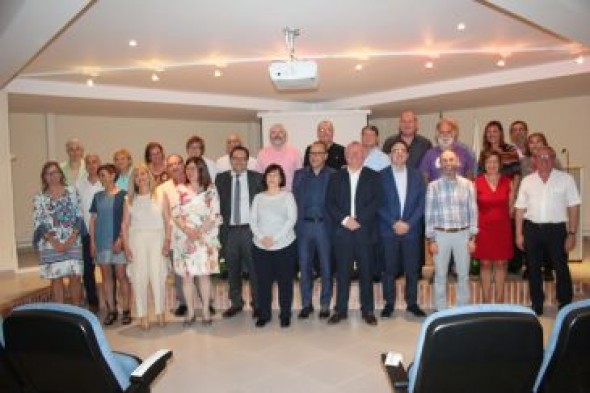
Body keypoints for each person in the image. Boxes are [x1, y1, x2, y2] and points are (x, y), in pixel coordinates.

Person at [515, 146, 580, 316]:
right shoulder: (527, 181)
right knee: (533, 268)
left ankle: (565, 303)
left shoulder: (566, 179)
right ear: (534, 161)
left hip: (556, 230)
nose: (544, 160)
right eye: (540, 157)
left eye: (548, 157)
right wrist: (519, 234)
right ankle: (537, 304)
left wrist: (572, 234)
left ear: (554, 159)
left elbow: (574, 207)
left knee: (561, 267)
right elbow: (520, 209)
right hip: (532, 229)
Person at [327, 142, 381, 326]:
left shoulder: (373, 177)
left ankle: (368, 311)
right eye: (351, 153)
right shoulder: (335, 177)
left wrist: (359, 219)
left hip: (364, 231)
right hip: (342, 231)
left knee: (366, 272)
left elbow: (377, 201)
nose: (354, 156)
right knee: (342, 273)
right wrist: (344, 219)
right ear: (345, 155)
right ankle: (340, 310)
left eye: (358, 153)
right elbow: (330, 203)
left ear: (364, 156)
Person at [168, 157, 221, 326]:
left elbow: (214, 215)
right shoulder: (179, 190)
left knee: (204, 277)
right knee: (187, 278)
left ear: (201, 169)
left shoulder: (211, 190)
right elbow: (175, 214)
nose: (189, 171)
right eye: (188, 168)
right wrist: (188, 231)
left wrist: (198, 232)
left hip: (204, 239)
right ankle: (190, 312)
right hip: (185, 240)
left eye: (193, 168)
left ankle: (205, 310)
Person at [379, 140, 426, 318]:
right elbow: (378, 204)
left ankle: (412, 303)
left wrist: (409, 224)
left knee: (412, 269)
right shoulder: (380, 176)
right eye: (395, 150)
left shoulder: (417, 176)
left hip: (411, 230)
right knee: (389, 269)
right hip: (388, 229)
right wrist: (393, 223)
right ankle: (389, 303)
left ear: (407, 155)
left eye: (402, 150)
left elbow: (422, 203)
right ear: (390, 155)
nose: (398, 153)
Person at [425, 150, 478, 311]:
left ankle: (462, 309)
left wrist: (472, 238)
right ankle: (440, 309)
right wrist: (431, 239)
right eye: (445, 160)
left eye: (451, 160)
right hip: (441, 235)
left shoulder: (468, 185)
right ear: (440, 164)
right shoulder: (433, 187)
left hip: (463, 235)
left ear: (458, 163)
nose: (448, 163)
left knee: (463, 275)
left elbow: (473, 211)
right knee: (440, 276)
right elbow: (429, 213)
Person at [121, 163, 171, 330]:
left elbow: (167, 220)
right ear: (133, 180)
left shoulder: (160, 195)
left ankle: (160, 312)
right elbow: (125, 224)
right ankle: (142, 314)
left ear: (149, 176)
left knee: (158, 276)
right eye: (137, 175)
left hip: (157, 237)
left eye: (143, 174)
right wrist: (126, 246)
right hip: (137, 239)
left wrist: (168, 240)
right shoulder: (128, 200)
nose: (141, 177)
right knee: (138, 277)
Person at [215, 146, 263, 319]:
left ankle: (257, 304)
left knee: (254, 270)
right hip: (229, 231)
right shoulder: (220, 179)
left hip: (250, 230)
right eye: (235, 158)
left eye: (243, 158)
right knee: (232, 268)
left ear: (248, 161)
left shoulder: (257, 178)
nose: (239, 161)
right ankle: (236, 303)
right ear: (230, 160)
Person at [250, 164, 298, 328]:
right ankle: (264, 314)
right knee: (263, 283)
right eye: (269, 174)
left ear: (281, 178)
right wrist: (262, 237)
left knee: (285, 283)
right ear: (265, 177)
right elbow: (253, 221)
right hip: (261, 247)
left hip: (284, 246)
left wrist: (275, 238)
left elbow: (291, 220)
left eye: (276, 175)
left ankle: (285, 314)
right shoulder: (258, 198)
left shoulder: (288, 196)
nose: (272, 177)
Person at [293, 141, 335, 319]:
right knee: (304, 266)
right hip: (304, 226)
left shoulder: (334, 175)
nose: (314, 157)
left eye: (319, 153)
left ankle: (325, 304)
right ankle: (306, 304)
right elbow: (295, 200)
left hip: (325, 226)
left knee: (326, 266)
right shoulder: (299, 175)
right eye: (311, 153)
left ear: (326, 155)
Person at [33, 161, 84, 304]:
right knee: (56, 279)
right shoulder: (39, 198)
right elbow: (39, 223)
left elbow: (79, 217)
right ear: (44, 177)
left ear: (60, 174)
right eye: (48, 173)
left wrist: (70, 240)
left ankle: (77, 311)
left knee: (75, 277)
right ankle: (61, 314)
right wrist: (55, 243)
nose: (52, 176)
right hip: (50, 245)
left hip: (73, 241)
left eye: (55, 172)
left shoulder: (72, 192)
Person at [89, 164, 131, 325]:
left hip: (117, 242)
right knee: (106, 277)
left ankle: (126, 310)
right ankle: (111, 310)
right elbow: (93, 220)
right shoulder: (97, 197)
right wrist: (92, 242)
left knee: (122, 276)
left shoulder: (124, 195)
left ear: (113, 175)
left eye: (104, 175)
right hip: (101, 243)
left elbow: (126, 221)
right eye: (100, 176)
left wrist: (121, 239)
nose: (102, 178)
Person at [473, 151, 514, 303]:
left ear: (500, 164)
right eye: (488, 162)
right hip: (483, 228)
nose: (492, 165)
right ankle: (485, 300)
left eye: (495, 162)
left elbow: (511, 208)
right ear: (484, 164)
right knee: (485, 263)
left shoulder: (508, 182)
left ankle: (500, 299)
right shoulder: (476, 182)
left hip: (502, 228)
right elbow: (473, 208)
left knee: (501, 263)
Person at [158, 154, 189, 317]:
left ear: (183, 165)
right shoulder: (162, 189)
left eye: (178, 163)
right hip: (173, 236)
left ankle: (206, 302)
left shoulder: (193, 182)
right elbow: (163, 216)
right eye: (171, 165)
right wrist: (166, 238)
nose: (175, 167)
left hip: (193, 235)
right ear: (167, 169)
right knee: (178, 272)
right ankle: (183, 303)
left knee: (198, 270)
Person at [75, 154, 103, 312]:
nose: (92, 165)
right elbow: (77, 210)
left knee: (107, 269)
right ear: (85, 166)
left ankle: (111, 302)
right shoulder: (78, 185)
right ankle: (93, 301)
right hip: (86, 234)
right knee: (88, 270)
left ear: (99, 163)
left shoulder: (105, 182)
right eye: (88, 163)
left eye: (94, 162)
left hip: (104, 233)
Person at [420, 118, 476, 182]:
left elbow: (470, 175)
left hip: (460, 191)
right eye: (442, 132)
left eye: (448, 132)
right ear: (437, 134)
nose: (445, 135)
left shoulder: (464, 153)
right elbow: (424, 178)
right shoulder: (429, 154)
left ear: (454, 133)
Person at [255, 123, 302, 191]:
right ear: (269, 136)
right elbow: (258, 177)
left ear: (285, 136)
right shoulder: (262, 153)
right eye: (273, 132)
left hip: (290, 195)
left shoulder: (295, 153)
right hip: (268, 195)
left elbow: (300, 177)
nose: (277, 135)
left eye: (280, 132)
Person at [478, 120, 521, 185]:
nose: (491, 134)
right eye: (488, 132)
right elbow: (480, 174)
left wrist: (513, 192)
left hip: (508, 188)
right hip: (488, 189)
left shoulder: (510, 150)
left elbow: (517, 174)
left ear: (500, 133)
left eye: (495, 131)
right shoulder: (483, 153)